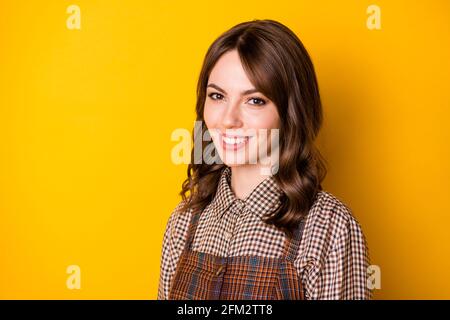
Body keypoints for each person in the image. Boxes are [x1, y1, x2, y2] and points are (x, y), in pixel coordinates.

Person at [158, 19, 371, 300]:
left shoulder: (329, 226)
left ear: (290, 112)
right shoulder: (183, 222)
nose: (228, 120)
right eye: (217, 96)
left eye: (255, 100)